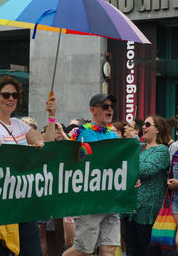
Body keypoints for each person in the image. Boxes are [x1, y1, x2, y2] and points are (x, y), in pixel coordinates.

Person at [0, 75, 56, 256]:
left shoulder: (19, 124)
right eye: (6, 95)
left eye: (14, 95)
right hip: (2, 204)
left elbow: (47, 142)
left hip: (24, 202)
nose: (11, 99)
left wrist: (51, 117)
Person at [65, 93, 119, 256]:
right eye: (105, 106)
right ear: (92, 110)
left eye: (112, 106)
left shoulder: (114, 135)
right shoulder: (82, 134)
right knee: (83, 250)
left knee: (109, 248)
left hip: (111, 199)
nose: (110, 109)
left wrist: (131, 177)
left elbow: (119, 163)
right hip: (90, 200)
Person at [123, 115, 171, 256]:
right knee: (132, 248)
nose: (143, 127)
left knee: (148, 249)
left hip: (147, 210)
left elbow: (145, 170)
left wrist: (132, 147)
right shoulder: (139, 147)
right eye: (143, 124)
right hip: (129, 207)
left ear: (158, 130)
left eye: (148, 124)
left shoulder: (161, 150)